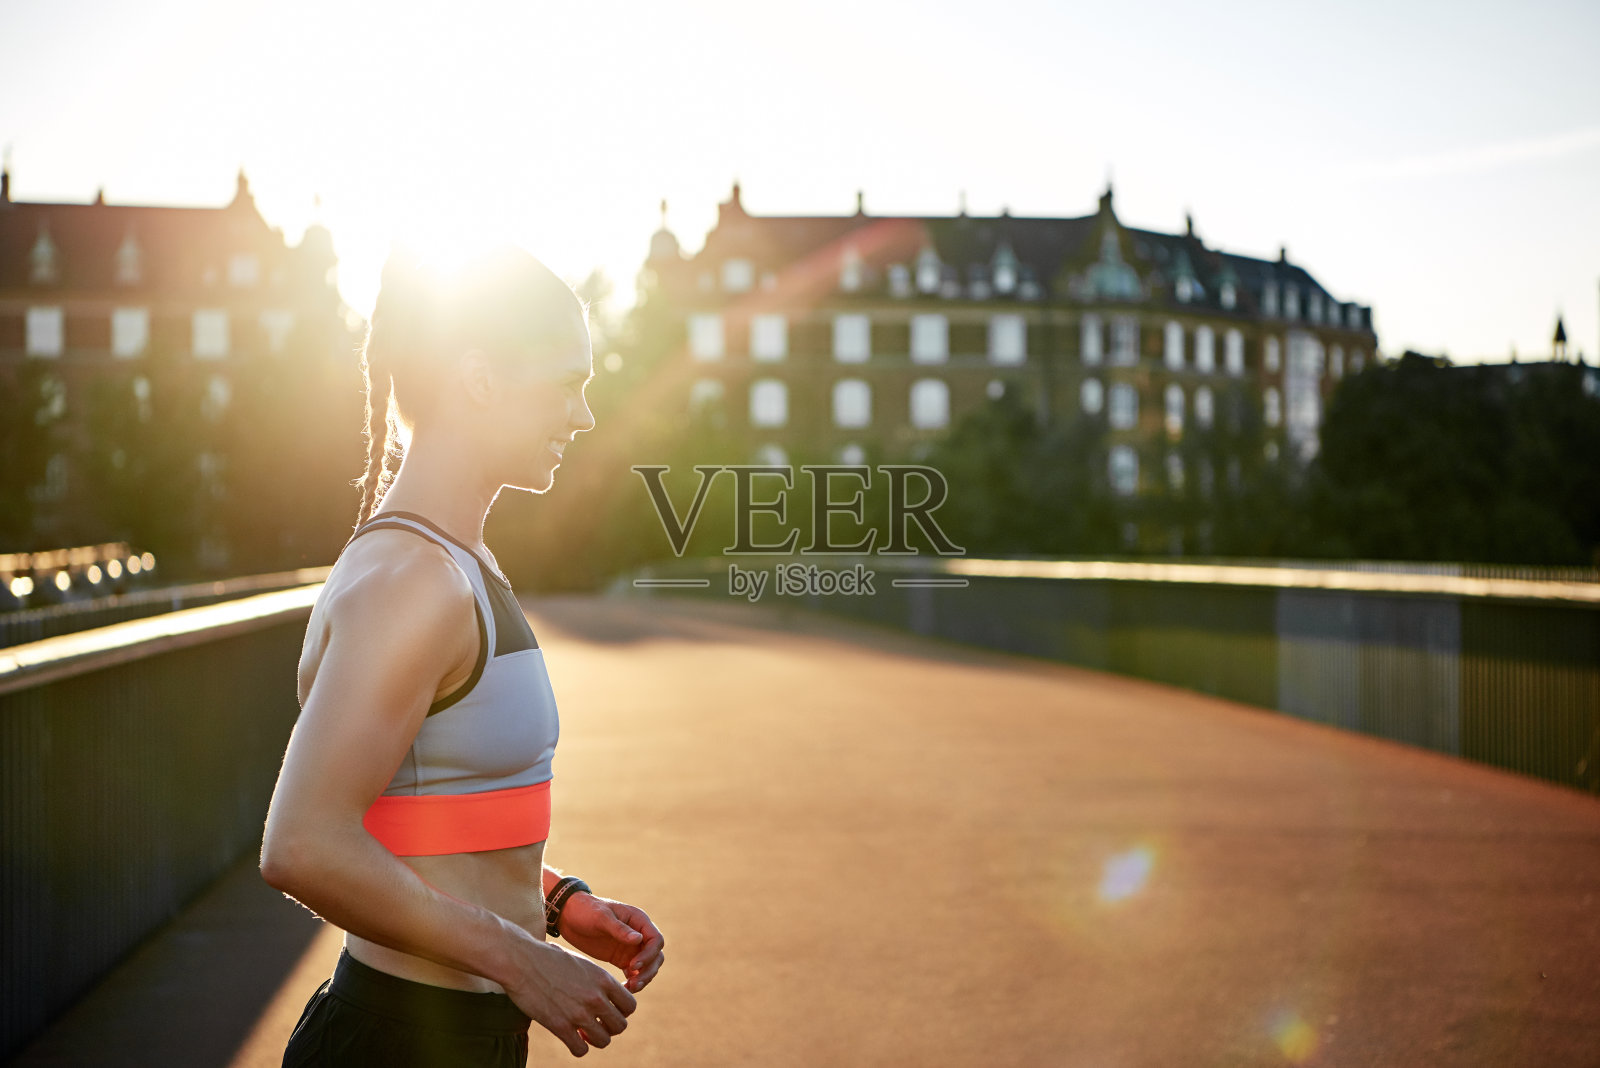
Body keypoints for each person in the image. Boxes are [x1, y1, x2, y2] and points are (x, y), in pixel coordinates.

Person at [261, 243, 664, 1066]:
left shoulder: (458, 562)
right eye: (568, 385)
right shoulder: (414, 579)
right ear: (480, 380)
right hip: (399, 1042)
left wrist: (554, 905)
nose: (583, 415)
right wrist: (523, 961)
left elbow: (429, 818)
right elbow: (302, 844)